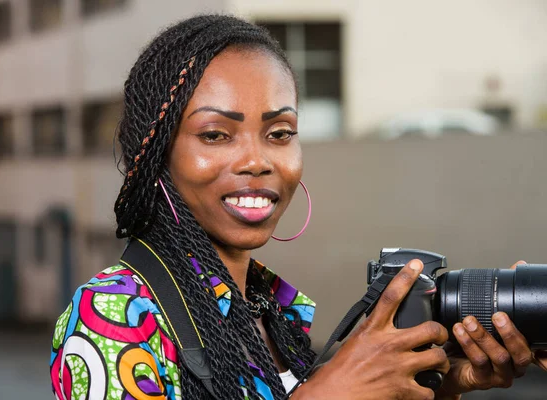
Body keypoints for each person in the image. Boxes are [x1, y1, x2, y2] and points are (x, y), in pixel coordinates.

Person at [50, 14, 546, 400]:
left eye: (279, 133)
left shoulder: (273, 313)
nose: (257, 160)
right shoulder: (113, 312)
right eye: (215, 134)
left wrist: (439, 386)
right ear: (157, 155)